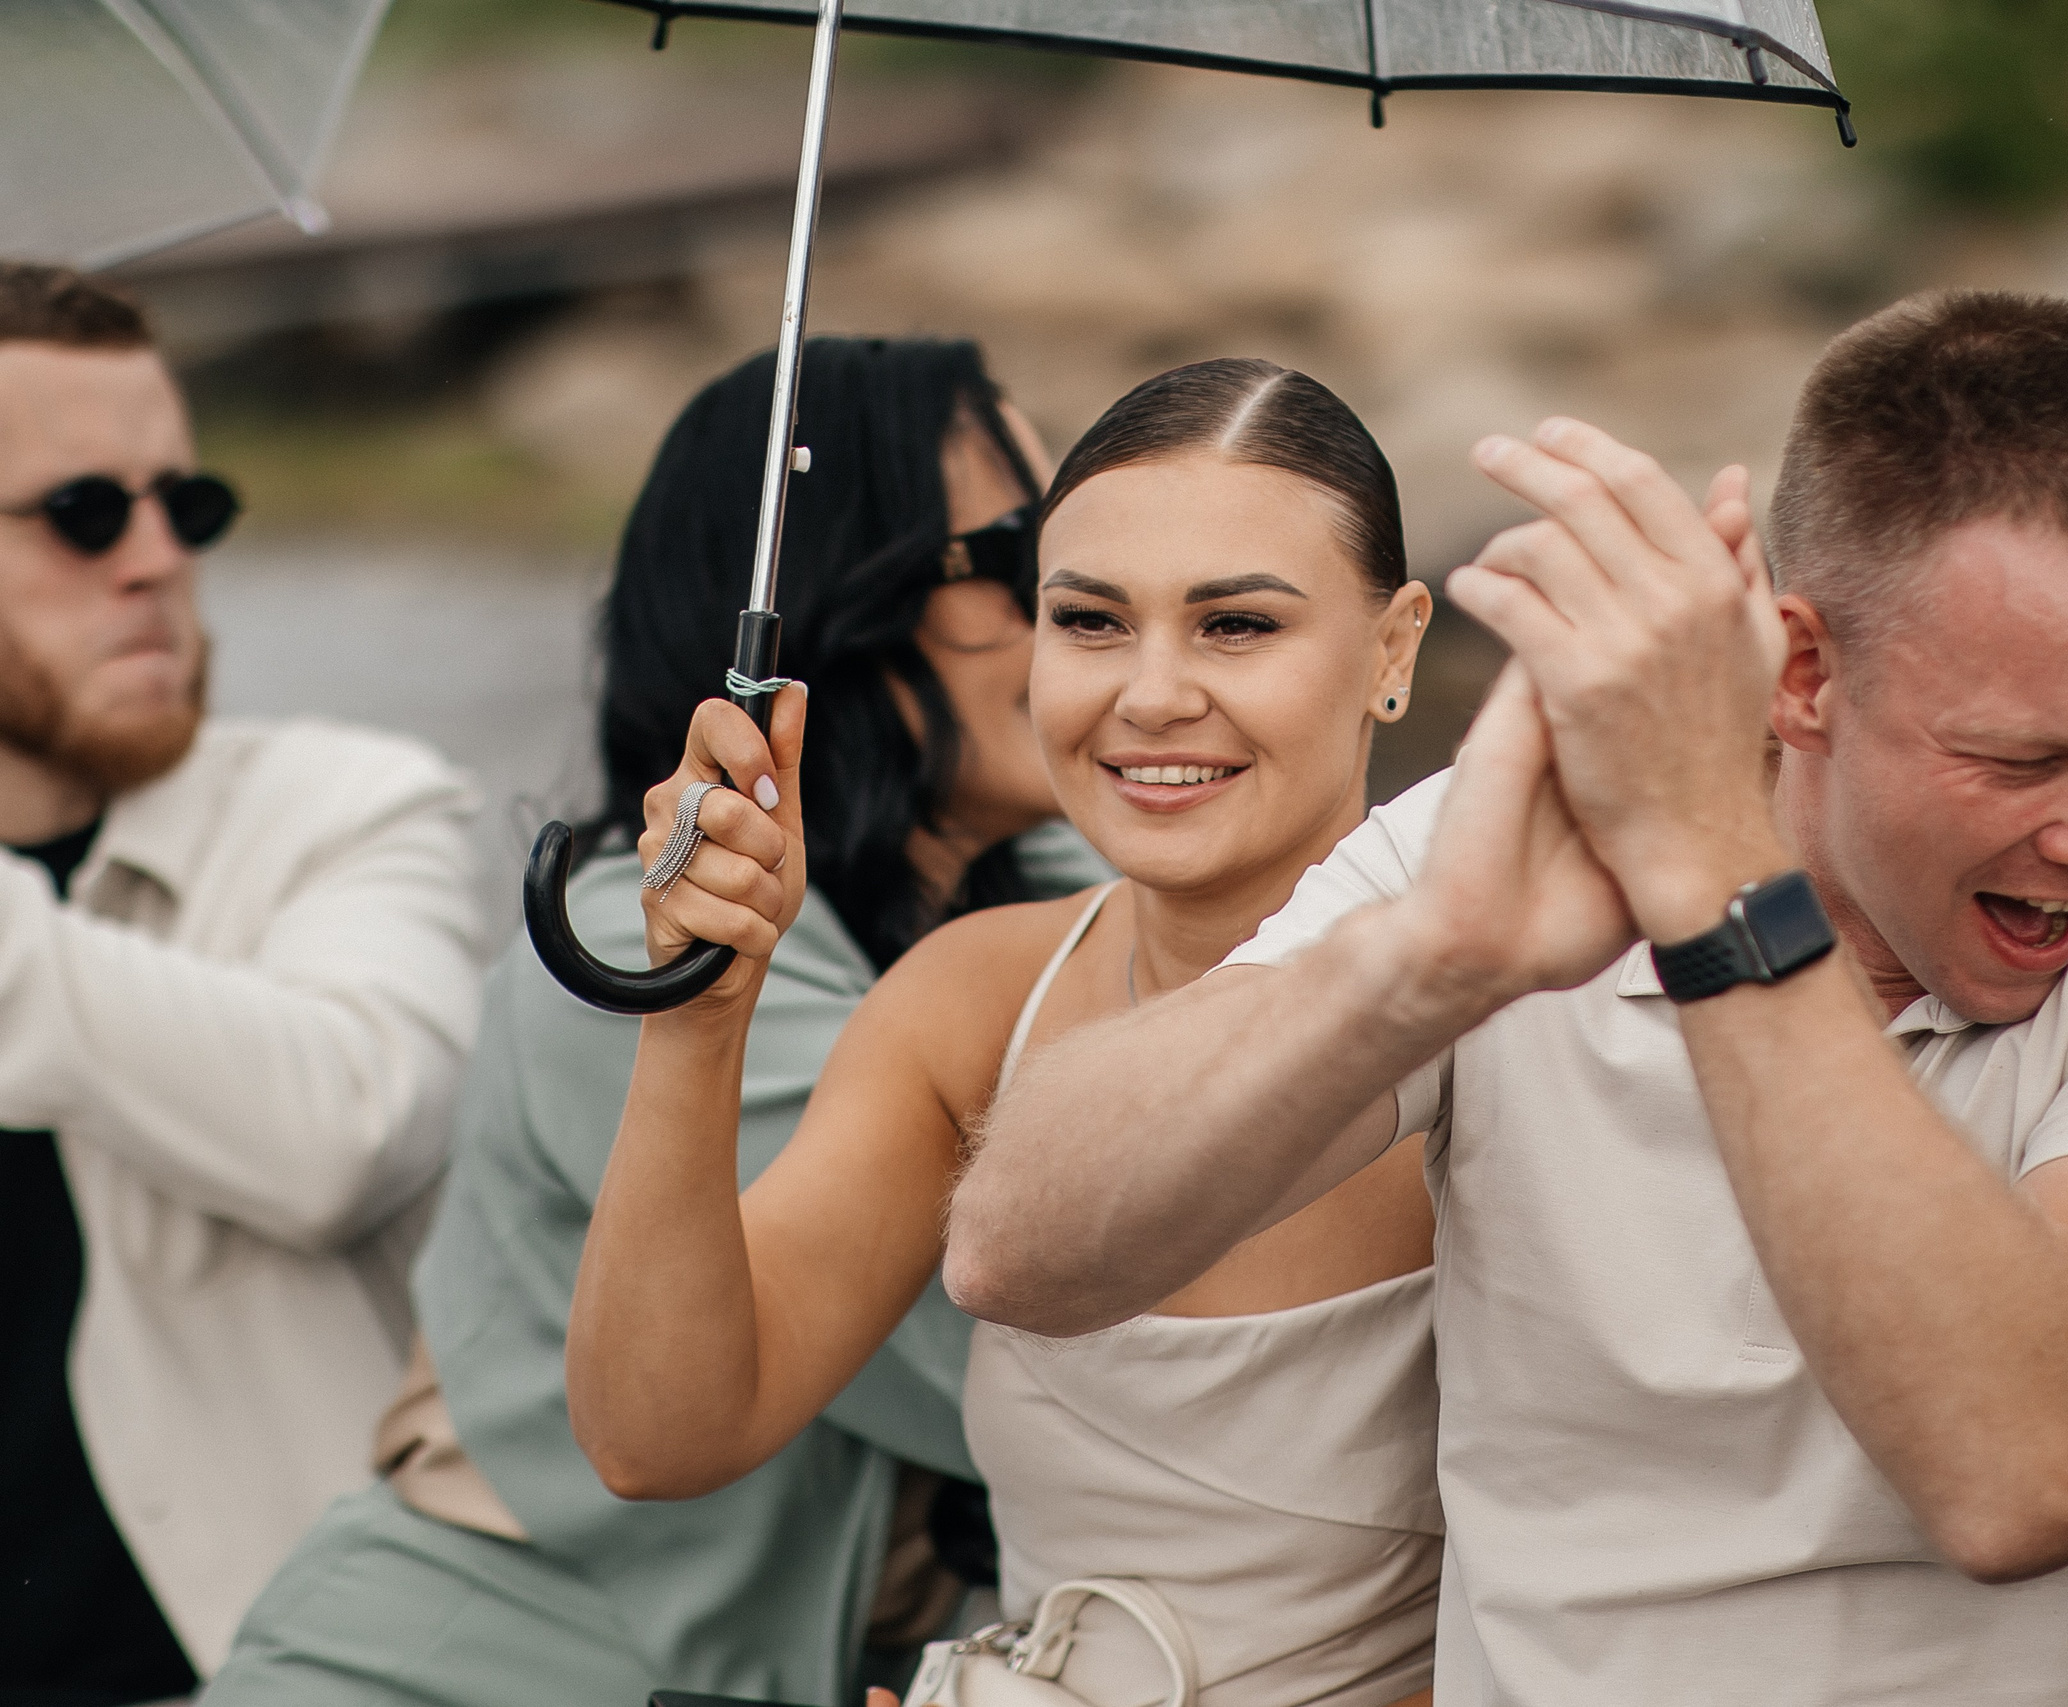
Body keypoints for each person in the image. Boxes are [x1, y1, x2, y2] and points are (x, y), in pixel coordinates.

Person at [948, 292, 2068, 1705]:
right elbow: (1026, 1251)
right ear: (1806, 673)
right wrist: (1428, 963)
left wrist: (1716, 876)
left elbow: (2029, 1470)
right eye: (2024, 760)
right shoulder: (1496, 849)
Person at [205, 337, 1105, 1707]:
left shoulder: (1055, 897)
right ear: (837, 605)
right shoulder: (642, 953)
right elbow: (1036, 1346)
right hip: (460, 1670)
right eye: (1023, 549)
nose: (1085, 606)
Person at [569, 358, 1442, 1707]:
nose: (1150, 695)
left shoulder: (1502, 1022)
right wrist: (701, 1012)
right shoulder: (974, 999)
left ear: (1393, 650)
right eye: (1090, 622)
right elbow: (660, 1432)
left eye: (1237, 629)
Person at [0, 263, 484, 1697]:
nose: (155, 558)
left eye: (184, 506)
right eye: (85, 512)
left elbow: (344, 1129)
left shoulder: (348, 806)